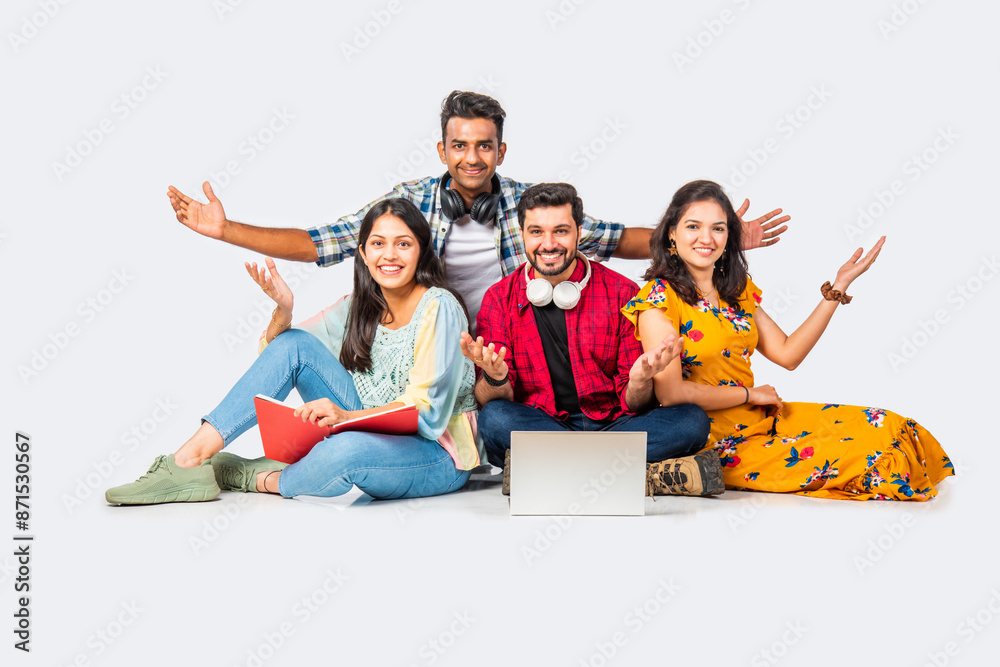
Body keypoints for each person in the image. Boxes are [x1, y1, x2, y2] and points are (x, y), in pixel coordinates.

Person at [165, 90, 790, 325]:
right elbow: (321, 242)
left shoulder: (528, 204)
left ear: (500, 149)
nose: (471, 157)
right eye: (459, 145)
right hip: (420, 333)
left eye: (483, 146)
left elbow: (617, 238)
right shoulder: (406, 202)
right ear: (442, 148)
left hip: (508, 336)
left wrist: (719, 238)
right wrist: (225, 231)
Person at [106, 199, 483, 505]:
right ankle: (188, 461)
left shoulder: (439, 307)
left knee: (345, 450)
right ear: (364, 254)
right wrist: (283, 312)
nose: (390, 255)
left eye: (403, 243)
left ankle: (264, 476)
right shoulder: (359, 306)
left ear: (421, 252)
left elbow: (429, 417)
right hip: (371, 428)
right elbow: (282, 356)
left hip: (437, 453)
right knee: (297, 345)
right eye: (378, 243)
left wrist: (346, 416)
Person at [623, 180, 953, 500]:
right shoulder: (658, 299)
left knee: (886, 425)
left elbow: (788, 354)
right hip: (715, 440)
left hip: (764, 418)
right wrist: (750, 393)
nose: (706, 238)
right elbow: (671, 394)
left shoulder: (736, 292)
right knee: (863, 453)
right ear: (671, 233)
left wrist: (838, 287)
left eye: (718, 228)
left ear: (729, 236)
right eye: (693, 226)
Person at [462, 182, 721, 498]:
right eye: (536, 232)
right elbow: (492, 399)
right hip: (543, 423)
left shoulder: (621, 293)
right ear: (522, 234)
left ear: (579, 232)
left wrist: (639, 382)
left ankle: (548, 469)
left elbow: (633, 403)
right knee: (495, 419)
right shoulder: (499, 299)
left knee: (692, 421)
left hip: (615, 424)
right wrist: (495, 376)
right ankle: (641, 475)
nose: (548, 243)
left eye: (560, 231)